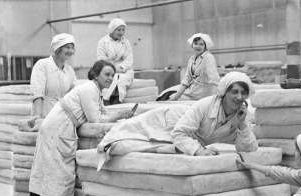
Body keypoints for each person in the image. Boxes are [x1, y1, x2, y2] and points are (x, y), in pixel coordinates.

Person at [13, 60, 134, 196]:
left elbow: (102, 112)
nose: (110, 78)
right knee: (52, 173)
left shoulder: (95, 91)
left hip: (62, 127)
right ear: (96, 74)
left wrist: (121, 114)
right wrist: (120, 114)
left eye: (112, 76)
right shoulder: (89, 89)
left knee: (49, 173)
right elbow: (96, 120)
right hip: (57, 128)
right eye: (106, 74)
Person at [96, 71, 257, 169]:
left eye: (243, 93)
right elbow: (179, 132)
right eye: (234, 92)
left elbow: (248, 150)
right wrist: (198, 151)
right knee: (126, 133)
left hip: (185, 134)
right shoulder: (205, 105)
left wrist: (243, 126)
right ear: (224, 92)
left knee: (148, 146)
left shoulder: (243, 115)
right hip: (169, 119)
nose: (239, 97)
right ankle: (106, 137)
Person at [28, 33, 77, 127]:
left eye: (72, 47)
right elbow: (37, 91)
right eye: (67, 47)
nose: (70, 51)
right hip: (44, 113)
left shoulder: (69, 70)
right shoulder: (42, 65)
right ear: (58, 48)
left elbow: (74, 93)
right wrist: (37, 115)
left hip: (62, 115)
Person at [166, 33, 220, 101]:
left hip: (203, 94)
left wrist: (214, 99)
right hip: (192, 91)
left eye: (201, 44)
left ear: (205, 47)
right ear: (192, 45)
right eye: (195, 43)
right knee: (169, 97)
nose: (197, 46)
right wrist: (175, 98)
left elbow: (214, 80)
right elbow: (186, 80)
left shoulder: (208, 58)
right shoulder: (191, 59)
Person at [97, 18, 134, 104]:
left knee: (121, 81)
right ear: (112, 29)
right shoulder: (103, 42)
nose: (121, 32)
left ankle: (117, 104)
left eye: (123, 30)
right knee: (109, 81)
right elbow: (101, 59)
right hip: (107, 68)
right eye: (118, 30)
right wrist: (114, 69)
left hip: (124, 70)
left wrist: (121, 67)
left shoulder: (126, 42)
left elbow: (129, 59)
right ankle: (105, 103)